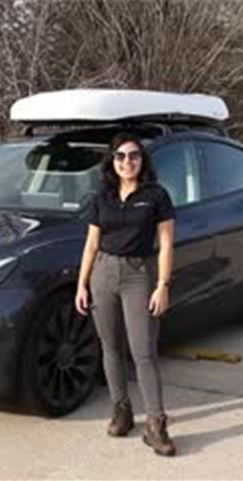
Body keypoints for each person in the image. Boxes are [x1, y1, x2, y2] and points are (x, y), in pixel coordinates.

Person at [74, 131, 177, 457]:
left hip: (139, 275)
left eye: (133, 155)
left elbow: (166, 244)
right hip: (103, 273)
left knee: (143, 351)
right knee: (110, 346)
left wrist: (163, 285)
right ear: (112, 161)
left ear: (142, 160)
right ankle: (121, 411)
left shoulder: (156, 196)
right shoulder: (101, 197)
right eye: (120, 156)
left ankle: (156, 424)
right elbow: (91, 244)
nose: (127, 161)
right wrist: (82, 283)